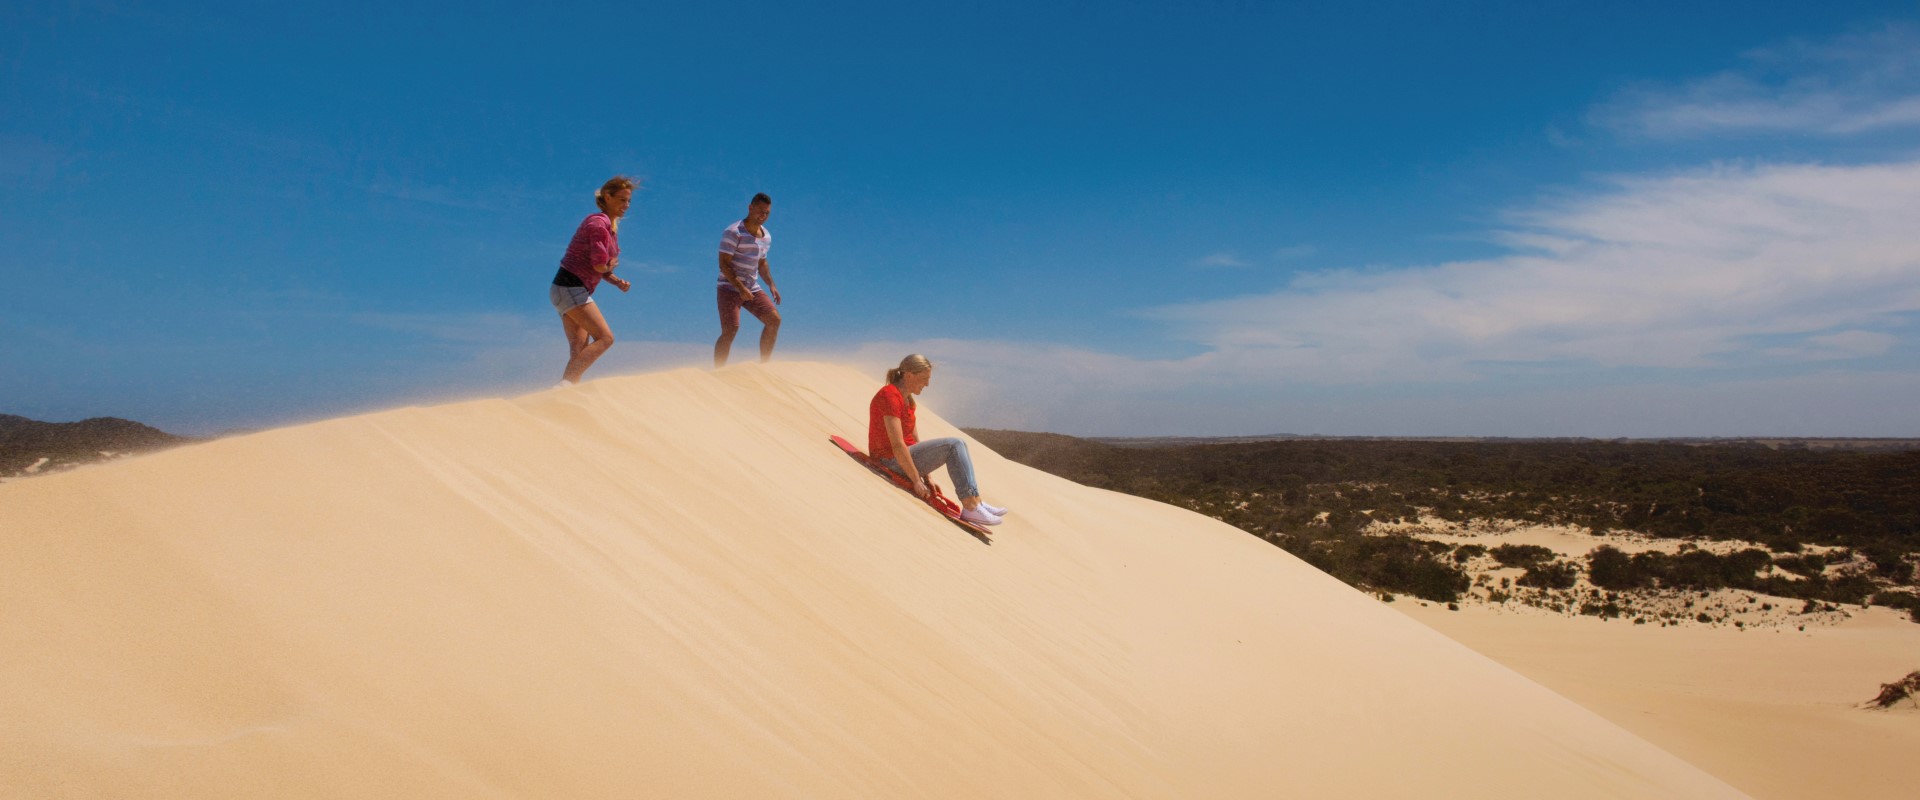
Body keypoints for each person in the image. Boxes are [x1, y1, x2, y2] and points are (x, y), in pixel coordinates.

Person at [868, 354, 1009, 526]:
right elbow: (897, 444)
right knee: (954, 445)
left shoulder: (909, 401)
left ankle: (976, 501)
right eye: (924, 379)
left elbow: (915, 442)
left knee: (960, 443)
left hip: (904, 460)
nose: (927, 384)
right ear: (909, 375)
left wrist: (928, 477)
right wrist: (916, 480)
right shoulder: (889, 396)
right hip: (889, 460)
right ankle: (971, 507)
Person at [550, 176, 636, 386]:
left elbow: (600, 268)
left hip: (565, 288)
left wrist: (616, 281)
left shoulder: (609, 227)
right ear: (608, 197)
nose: (626, 205)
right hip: (571, 287)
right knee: (606, 338)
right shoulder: (599, 224)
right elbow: (599, 265)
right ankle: (565, 387)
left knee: (579, 350)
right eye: (622, 200)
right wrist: (610, 266)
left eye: (629, 201)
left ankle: (565, 391)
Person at [714, 192, 781, 367]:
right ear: (750, 208)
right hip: (728, 287)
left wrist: (771, 285)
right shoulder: (733, 232)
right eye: (760, 211)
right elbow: (724, 264)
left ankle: (764, 365)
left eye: (766, 213)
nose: (763, 216)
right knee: (730, 330)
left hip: (752, 288)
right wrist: (740, 288)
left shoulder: (766, 236)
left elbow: (762, 262)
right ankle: (717, 372)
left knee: (774, 320)